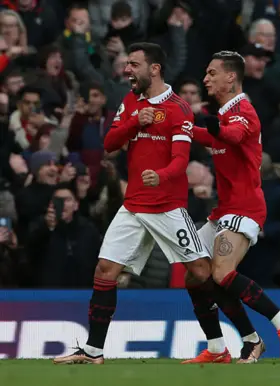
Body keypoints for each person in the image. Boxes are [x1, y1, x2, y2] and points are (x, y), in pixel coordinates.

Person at [53, 42, 213, 365]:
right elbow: (110, 143)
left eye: (133, 64)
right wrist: (135, 121)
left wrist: (162, 176)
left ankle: (224, 344)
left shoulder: (179, 109)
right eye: (127, 64)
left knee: (200, 272)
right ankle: (94, 352)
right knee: (105, 269)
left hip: (168, 205)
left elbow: (181, 161)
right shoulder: (130, 102)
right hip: (134, 205)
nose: (127, 70)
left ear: (154, 68)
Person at [187, 50, 280, 363]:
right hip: (224, 210)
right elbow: (211, 137)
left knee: (223, 272)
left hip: (245, 207)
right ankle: (229, 346)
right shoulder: (224, 114)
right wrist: (178, 128)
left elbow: (234, 135)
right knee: (196, 275)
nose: (206, 78)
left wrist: (212, 128)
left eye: (212, 73)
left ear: (230, 77)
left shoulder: (243, 109)